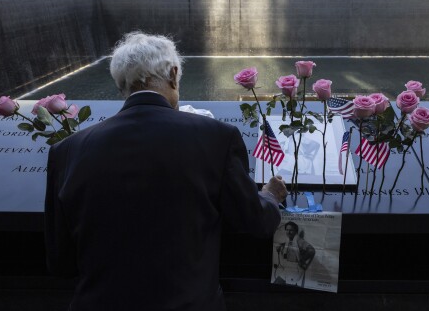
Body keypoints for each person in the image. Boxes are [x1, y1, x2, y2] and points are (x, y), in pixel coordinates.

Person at [45, 32, 287, 311]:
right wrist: (270, 196)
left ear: (121, 84)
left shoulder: (67, 151)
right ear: (173, 74)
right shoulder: (217, 138)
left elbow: (60, 263)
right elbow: (256, 221)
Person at [273, 221, 316, 287]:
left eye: (291, 230)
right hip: (288, 268)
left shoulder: (299, 240)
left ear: (296, 231)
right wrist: (281, 245)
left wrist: (302, 260)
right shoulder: (289, 240)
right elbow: (290, 246)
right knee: (277, 282)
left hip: (295, 269)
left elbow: (311, 250)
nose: (288, 232)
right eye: (287, 230)